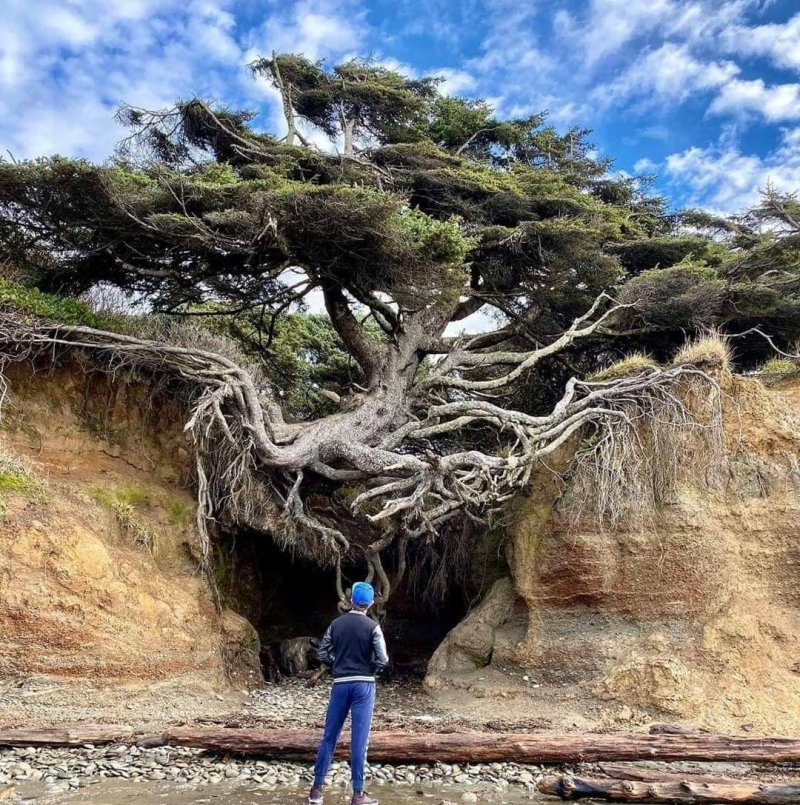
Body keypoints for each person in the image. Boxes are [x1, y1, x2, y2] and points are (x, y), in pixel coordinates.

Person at [308, 581, 389, 805]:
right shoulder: (373, 627)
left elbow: (322, 653)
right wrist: (370, 668)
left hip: (340, 684)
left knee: (329, 736)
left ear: (351, 601)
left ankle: (316, 790)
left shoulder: (336, 625)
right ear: (371, 603)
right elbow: (383, 660)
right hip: (363, 685)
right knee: (359, 740)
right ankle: (358, 793)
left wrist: (337, 664)